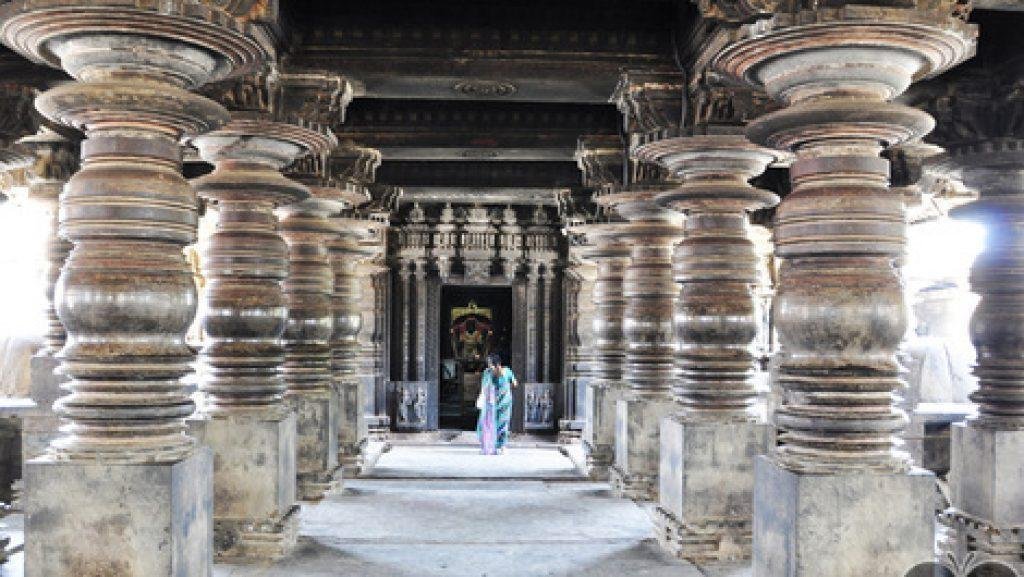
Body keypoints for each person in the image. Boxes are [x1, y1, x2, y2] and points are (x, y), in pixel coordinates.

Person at [476, 353, 517, 455]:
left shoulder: (507, 371)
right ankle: (488, 446)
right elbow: (484, 387)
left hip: (505, 402)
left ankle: (502, 445)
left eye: (491, 364)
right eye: (489, 364)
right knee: (487, 423)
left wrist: (508, 387)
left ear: (498, 365)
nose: (489, 366)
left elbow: (514, 383)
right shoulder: (487, 373)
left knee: (503, 423)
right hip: (491, 403)